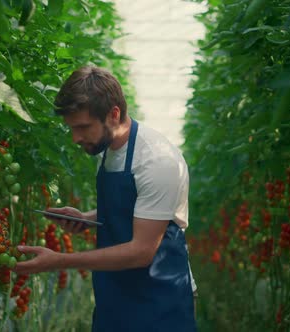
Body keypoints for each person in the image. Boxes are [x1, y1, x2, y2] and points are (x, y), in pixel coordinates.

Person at [13, 66, 197, 331]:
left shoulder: (156, 161)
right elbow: (134, 207)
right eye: (72, 128)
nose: (76, 137)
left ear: (114, 114)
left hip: (160, 300)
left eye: (83, 127)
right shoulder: (108, 149)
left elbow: (142, 251)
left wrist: (60, 260)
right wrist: (86, 218)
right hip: (114, 294)